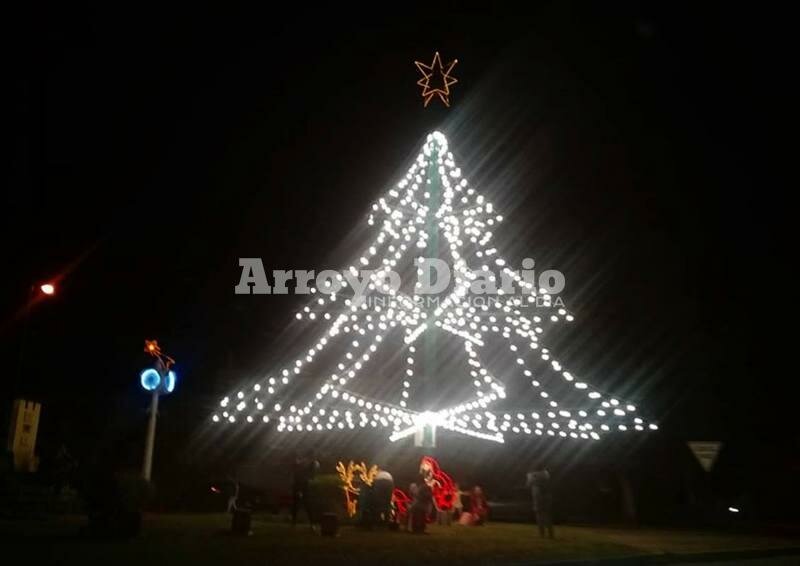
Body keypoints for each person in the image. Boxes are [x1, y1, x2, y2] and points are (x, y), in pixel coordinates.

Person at [291, 449, 319, 528]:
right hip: (301, 485)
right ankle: (296, 522)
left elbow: (309, 474)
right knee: (302, 504)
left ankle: (296, 523)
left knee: (303, 504)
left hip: (302, 485)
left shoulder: (307, 463)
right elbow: (300, 475)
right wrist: (299, 489)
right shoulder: (305, 463)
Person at [527, 466, 554, 539]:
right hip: (547, 496)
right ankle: (550, 533)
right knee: (547, 515)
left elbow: (528, 484)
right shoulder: (545, 473)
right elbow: (549, 482)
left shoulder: (531, 474)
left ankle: (542, 534)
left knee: (539, 515)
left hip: (537, 496)